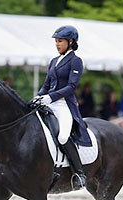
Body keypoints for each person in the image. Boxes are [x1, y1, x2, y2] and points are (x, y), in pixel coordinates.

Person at [32, 25, 92, 190]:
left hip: (64, 104)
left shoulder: (76, 61)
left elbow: (71, 87)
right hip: (48, 103)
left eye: (60, 41)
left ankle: (79, 173)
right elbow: (46, 85)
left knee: (63, 137)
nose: (57, 44)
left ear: (70, 41)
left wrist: (51, 97)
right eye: (56, 41)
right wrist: (38, 97)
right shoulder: (53, 61)